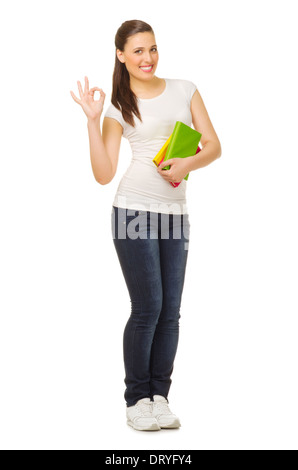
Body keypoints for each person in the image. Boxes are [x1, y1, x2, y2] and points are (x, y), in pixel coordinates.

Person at [70, 19, 221, 432]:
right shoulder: (119, 103)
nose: (147, 58)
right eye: (137, 51)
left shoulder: (185, 89)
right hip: (133, 210)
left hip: (175, 213)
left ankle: (159, 396)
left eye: (152, 49)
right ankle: (136, 398)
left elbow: (213, 145)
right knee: (148, 307)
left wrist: (188, 162)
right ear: (121, 55)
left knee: (171, 312)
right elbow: (104, 174)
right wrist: (92, 119)